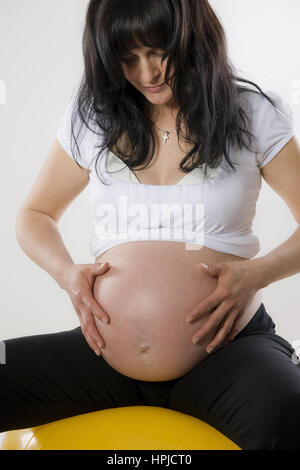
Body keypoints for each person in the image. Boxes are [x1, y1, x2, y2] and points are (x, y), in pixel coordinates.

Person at [3, 0, 300, 450]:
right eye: (129, 58)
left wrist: (257, 273)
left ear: (193, 38)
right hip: (102, 354)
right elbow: (34, 216)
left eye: (161, 51)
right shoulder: (93, 118)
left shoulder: (251, 112)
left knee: (287, 411)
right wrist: (67, 274)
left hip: (227, 350)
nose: (149, 73)